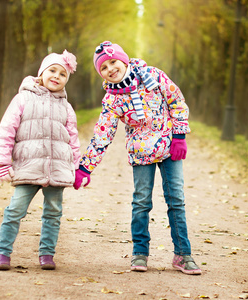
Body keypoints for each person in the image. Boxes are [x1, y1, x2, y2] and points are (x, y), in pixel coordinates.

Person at [74, 41, 201, 275]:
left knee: (176, 200)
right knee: (141, 202)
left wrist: (180, 135)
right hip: (141, 153)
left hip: (169, 146)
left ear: (123, 60)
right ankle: (140, 252)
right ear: (100, 73)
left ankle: (183, 254)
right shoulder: (112, 100)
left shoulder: (153, 76)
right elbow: (103, 134)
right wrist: (85, 167)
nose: (110, 68)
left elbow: (176, 101)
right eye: (104, 67)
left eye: (113, 62)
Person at [0, 49, 80, 271]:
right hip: (28, 167)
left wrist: (76, 169)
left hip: (57, 170)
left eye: (62, 74)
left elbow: (73, 140)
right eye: (52, 70)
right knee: (15, 210)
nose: (56, 76)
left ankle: (47, 254)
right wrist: (3, 163)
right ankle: (3, 252)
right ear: (41, 72)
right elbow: (6, 131)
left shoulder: (66, 108)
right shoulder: (23, 99)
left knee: (53, 212)